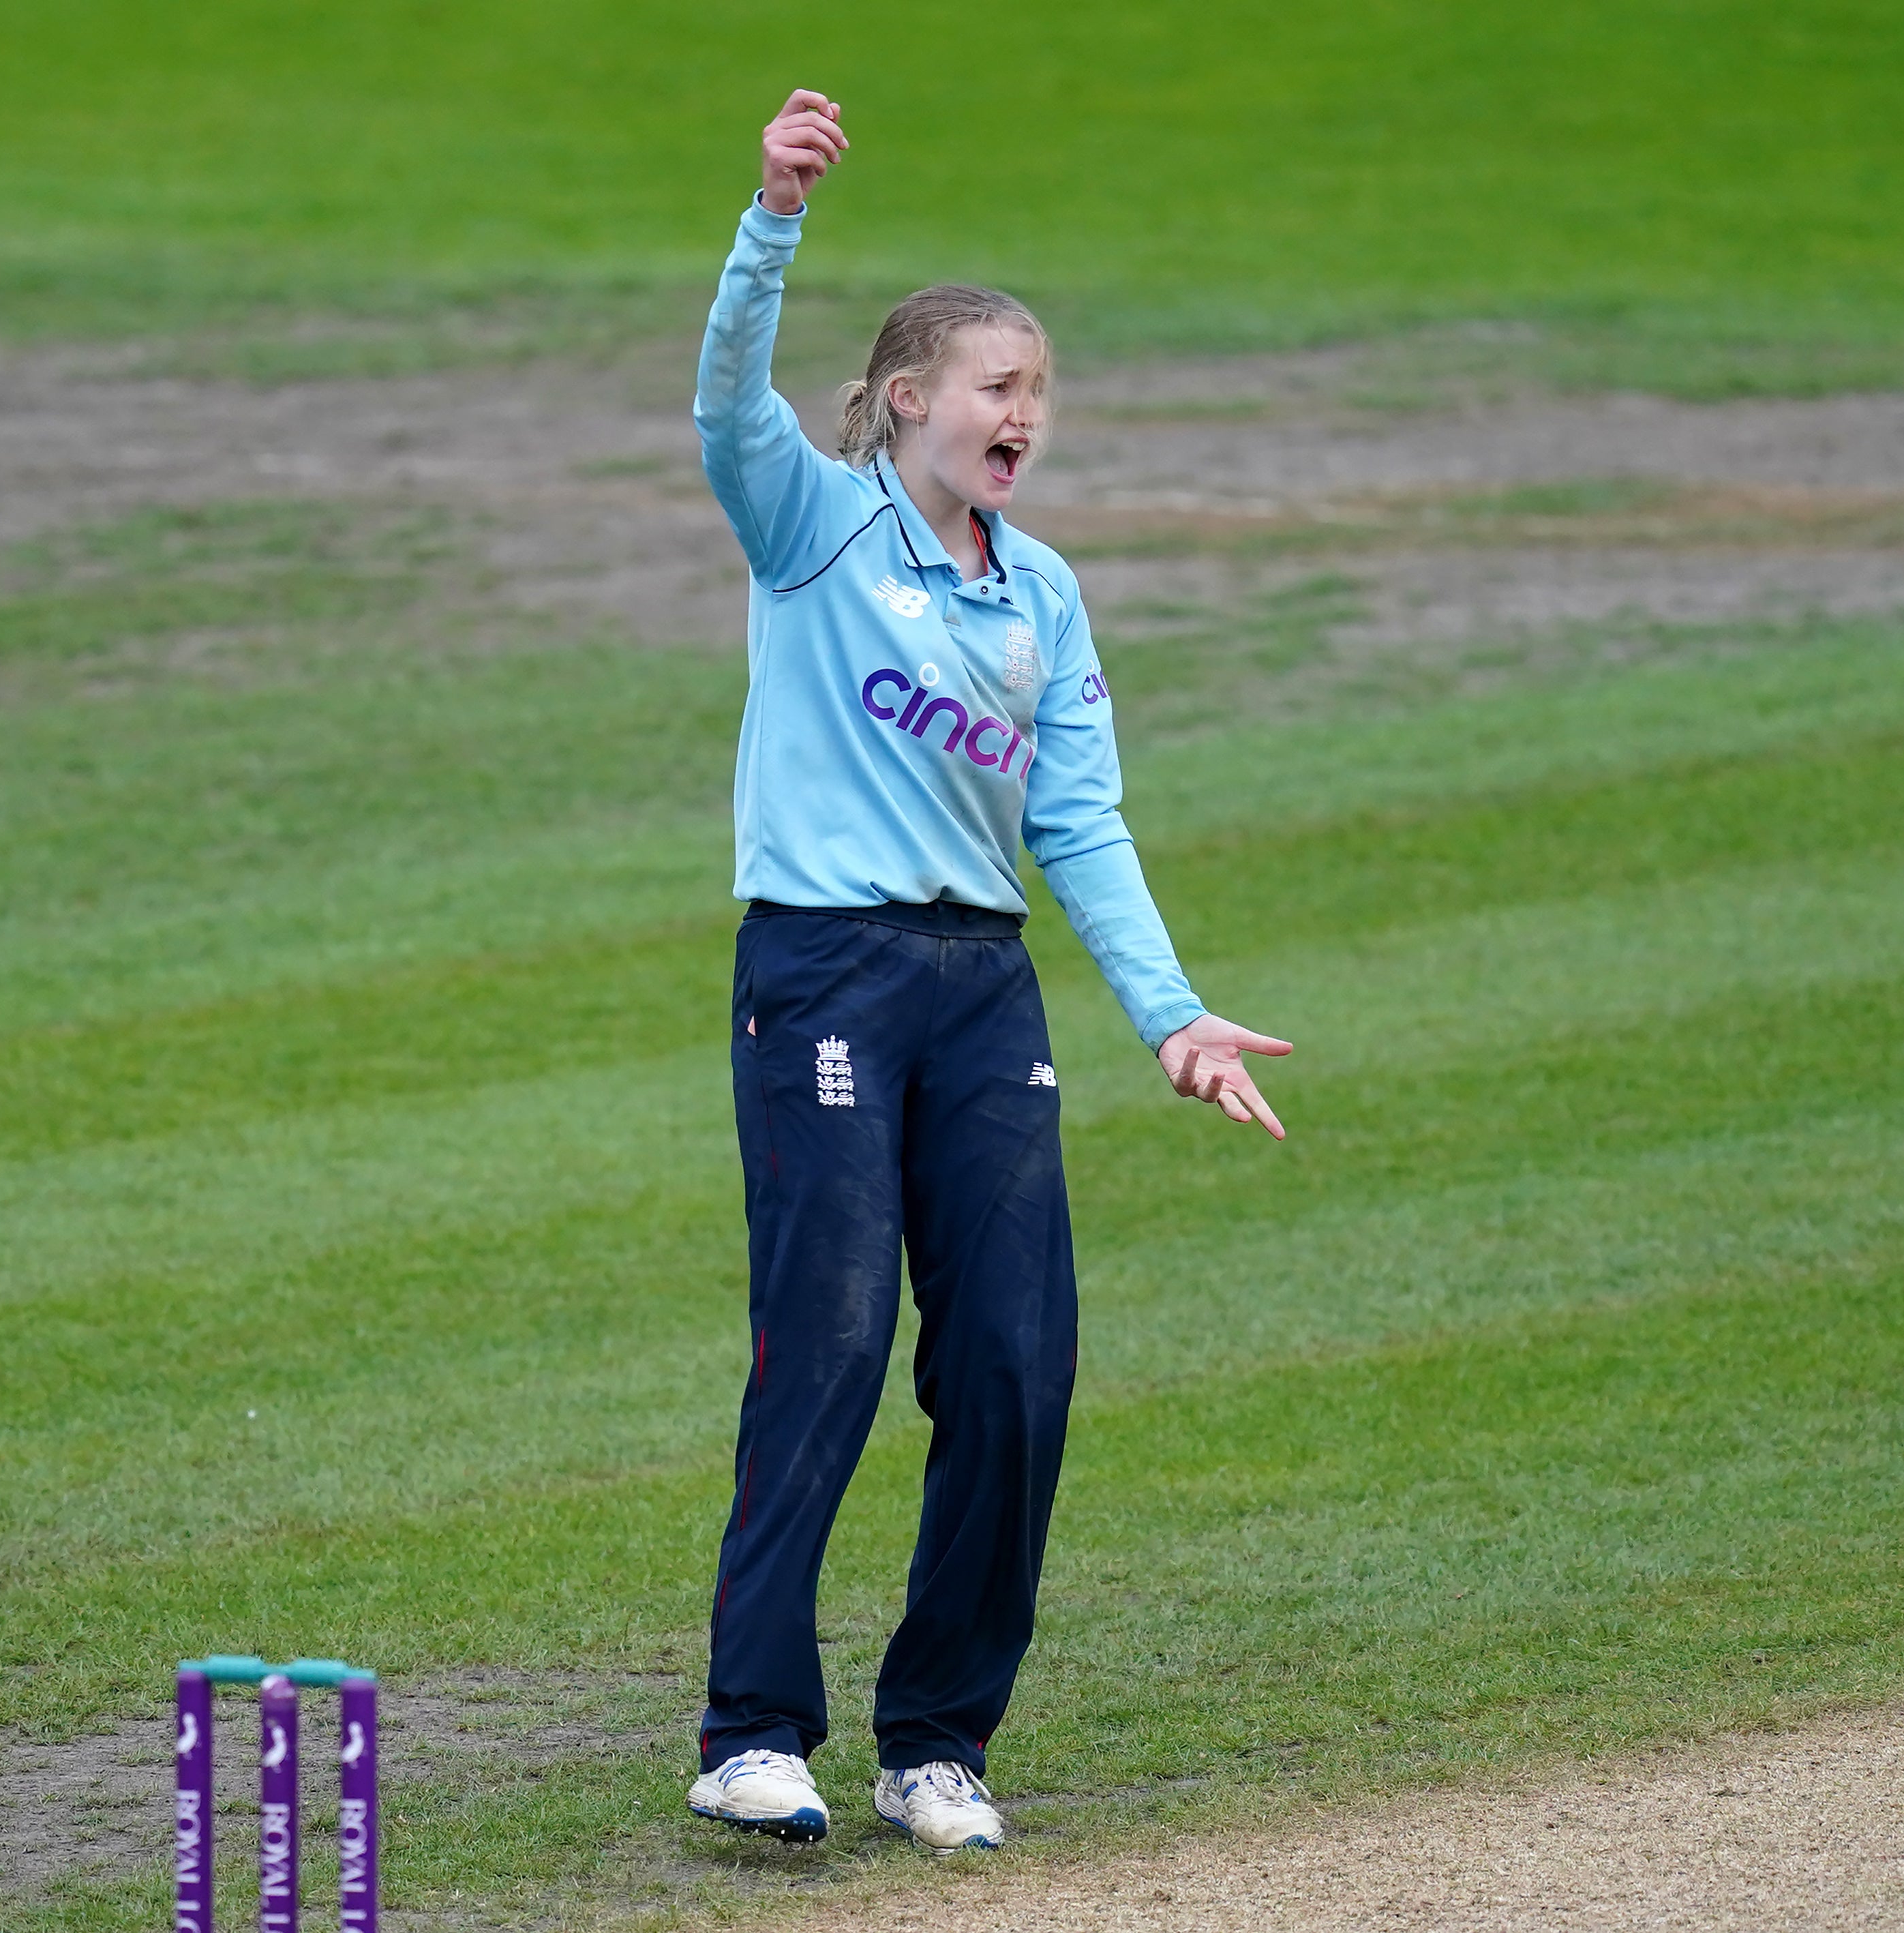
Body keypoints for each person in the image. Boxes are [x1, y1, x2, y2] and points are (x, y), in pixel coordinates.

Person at [682, 89, 1292, 1857]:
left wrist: (1167, 1015)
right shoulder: (811, 524)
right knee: (836, 1332)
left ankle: (934, 1737)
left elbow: (1078, 820)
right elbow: (726, 396)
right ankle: (749, 1729)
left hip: (980, 985)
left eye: (1039, 391)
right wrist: (772, 213)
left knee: (1017, 1356)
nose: (1025, 414)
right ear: (903, 405)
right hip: (821, 969)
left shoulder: (1044, 598)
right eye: (995, 387)